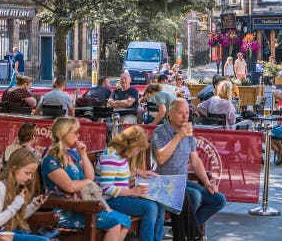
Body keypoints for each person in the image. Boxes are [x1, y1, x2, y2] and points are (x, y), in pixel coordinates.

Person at [41, 117, 130, 240]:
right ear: (64, 132)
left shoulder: (72, 154)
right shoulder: (50, 160)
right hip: (65, 209)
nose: (78, 135)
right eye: (76, 132)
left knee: (124, 220)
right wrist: (87, 182)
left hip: (83, 204)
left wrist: (83, 154)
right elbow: (70, 187)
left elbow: (90, 176)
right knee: (115, 222)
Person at [152, 100, 226, 234]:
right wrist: (179, 136)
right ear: (170, 114)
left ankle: (185, 231)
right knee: (195, 196)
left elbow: (195, 160)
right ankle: (189, 233)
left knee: (218, 200)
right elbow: (161, 159)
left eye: (187, 113)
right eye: (180, 113)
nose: (185, 116)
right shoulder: (160, 132)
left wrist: (207, 183)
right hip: (164, 183)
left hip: (183, 182)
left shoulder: (188, 133)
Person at [97, 126, 165, 241]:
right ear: (131, 144)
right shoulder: (111, 156)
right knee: (150, 207)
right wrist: (132, 191)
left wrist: (139, 173)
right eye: (138, 149)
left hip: (119, 197)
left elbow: (119, 178)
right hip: (109, 200)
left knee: (159, 203)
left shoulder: (119, 154)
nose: (136, 153)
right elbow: (106, 188)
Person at [0, 148, 50, 241]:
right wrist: (16, 203)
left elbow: (15, 217)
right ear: (14, 169)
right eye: (27, 173)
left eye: (31, 174)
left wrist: (34, 205)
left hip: (8, 232)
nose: (30, 177)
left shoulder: (14, 185)